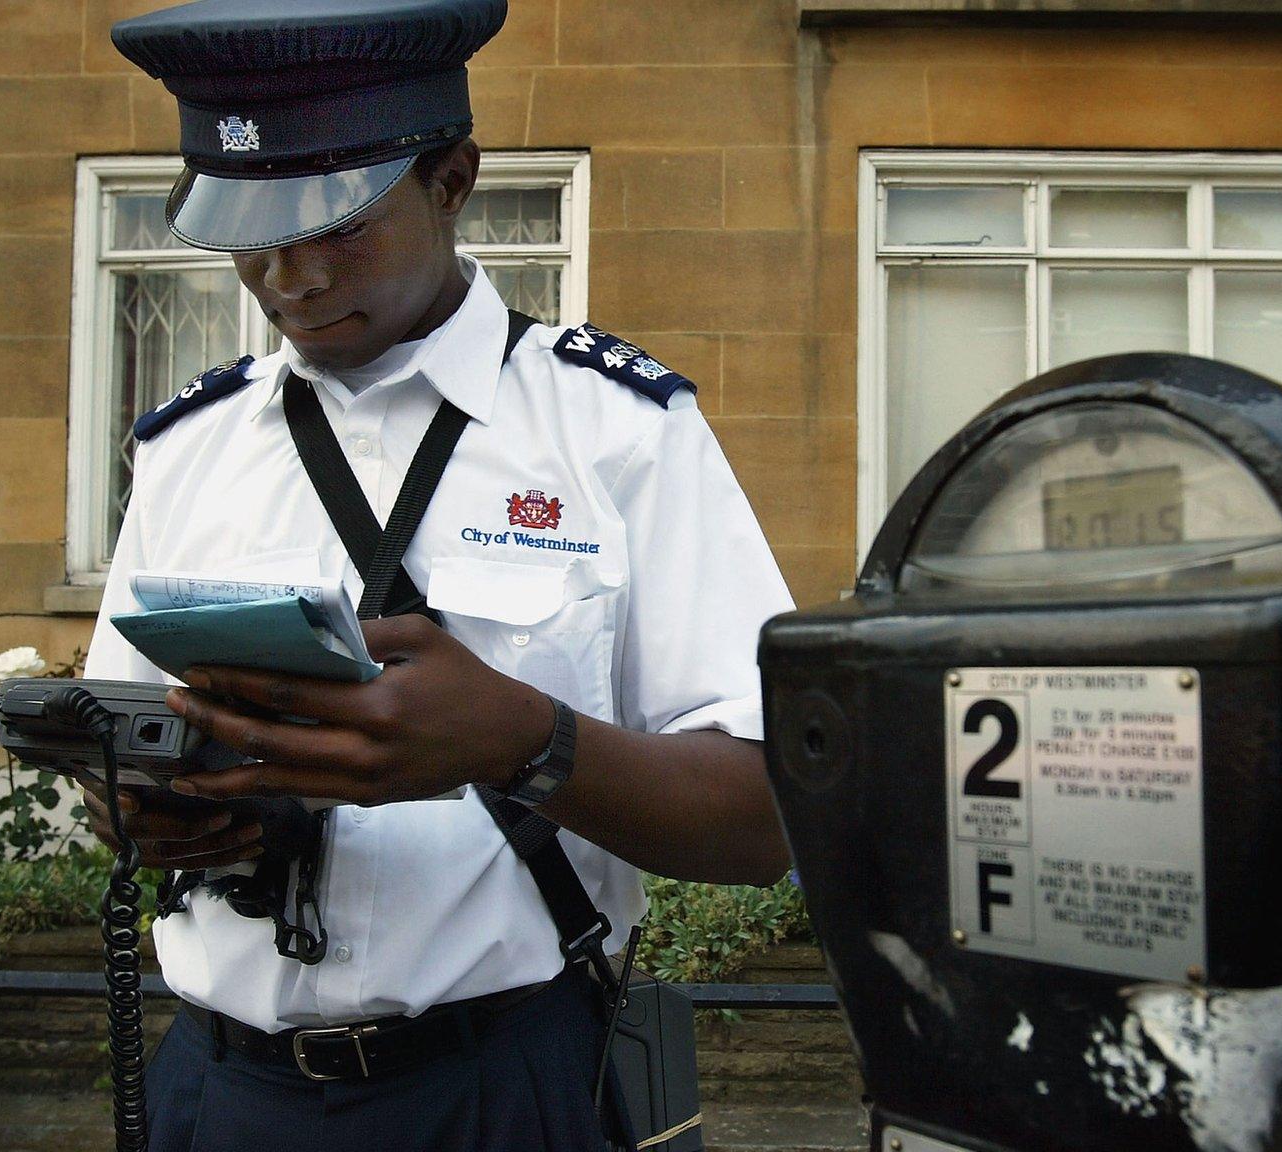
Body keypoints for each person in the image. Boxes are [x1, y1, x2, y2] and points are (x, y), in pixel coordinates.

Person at [81, 1, 797, 1148]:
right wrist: (147, 811)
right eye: (250, 231)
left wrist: (525, 739)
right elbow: (121, 737)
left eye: (338, 224)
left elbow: (763, 817)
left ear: (453, 178)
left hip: (501, 1089)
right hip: (218, 1097)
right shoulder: (189, 448)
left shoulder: (614, 431)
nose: (288, 276)